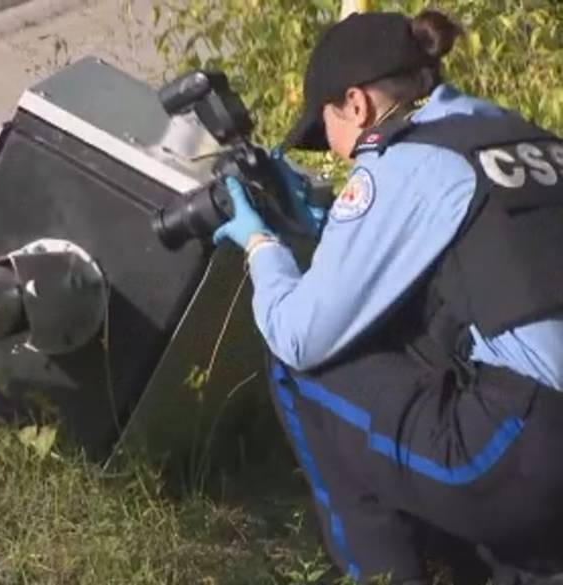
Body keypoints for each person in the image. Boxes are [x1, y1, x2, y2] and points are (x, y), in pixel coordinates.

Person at [215, 8, 563, 585]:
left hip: (524, 451)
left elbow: (299, 332)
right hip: (542, 452)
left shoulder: (404, 162)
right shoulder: (519, 137)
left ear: (357, 105)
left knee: (300, 366)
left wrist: (261, 245)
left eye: (329, 134)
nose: (340, 158)